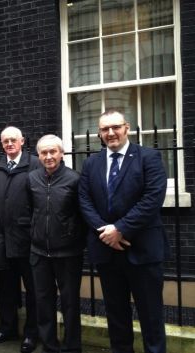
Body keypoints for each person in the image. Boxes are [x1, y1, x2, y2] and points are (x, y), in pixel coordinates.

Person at [79, 109, 169, 353]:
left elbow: (153, 198)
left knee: (151, 316)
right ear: (99, 133)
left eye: (115, 127)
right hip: (107, 252)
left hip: (142, 250)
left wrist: (120, 228)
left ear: (126, 127)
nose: (110, 133)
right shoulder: (91, 163)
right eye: (105, 129)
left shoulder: (148, 157)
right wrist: (105, 232)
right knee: (116, 316)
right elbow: (84, 201)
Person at [28, 134, 85, 353]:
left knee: (70, 304)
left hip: (68, 253)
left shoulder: (74, 179)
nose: (49, 156)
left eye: (53, 151)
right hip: (39, 252)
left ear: (61, 153)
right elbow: (29, 210)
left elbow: (82, 214)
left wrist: (72, 236)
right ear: (39, 155)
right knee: (44, 303)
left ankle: (72, 347)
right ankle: (49, 346)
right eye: (44, 152)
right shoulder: (31, 179)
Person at [0, 126, 39, 353]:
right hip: (2, 238)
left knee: (33, 289)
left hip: (27, 238)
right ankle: (7, 328)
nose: (9, 144)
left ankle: (31, 333)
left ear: (22, 141)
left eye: (13, 140)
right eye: (5, 141)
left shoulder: (35, 163)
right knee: (5, 288)